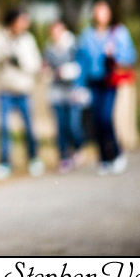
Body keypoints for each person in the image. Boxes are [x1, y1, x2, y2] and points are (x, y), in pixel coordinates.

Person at [0, 7, 44, 180]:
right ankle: (4, 162)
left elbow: (36, 66)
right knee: (4, 128)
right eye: (22, 20)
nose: (25, 24)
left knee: (29, 127)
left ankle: (34, 158)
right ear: (13, 22)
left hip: (23, 91)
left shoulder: (28, 40)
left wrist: (20, 60)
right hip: (4, 91)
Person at [76, 0, 137, 175]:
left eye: (104, 11)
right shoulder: (86, 35)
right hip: (92, 82)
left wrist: (115, 53)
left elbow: (130, 56)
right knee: (95, 121)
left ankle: (116, 153)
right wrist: (78, 86)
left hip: (109, 81)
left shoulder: (118, 33)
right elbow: (81, 61)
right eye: (97, 11)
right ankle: (103, 158)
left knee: (105, 118)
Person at [43, 19, 87, 173]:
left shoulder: (74, 46)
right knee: (60, 127)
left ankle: (79, 147)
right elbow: (47, 67)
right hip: (57, 93)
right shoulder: (49, 48)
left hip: (73, 92)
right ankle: (64, 157)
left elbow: (82, 67)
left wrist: (69, 73)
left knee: (73, 125)